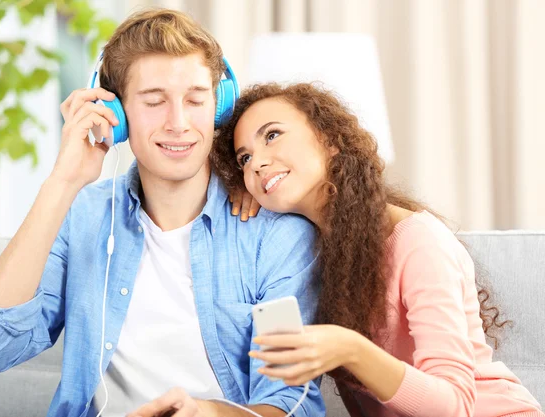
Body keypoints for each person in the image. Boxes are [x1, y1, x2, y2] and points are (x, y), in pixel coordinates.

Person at [0, 10, 325, 417]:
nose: (179, 123)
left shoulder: (275, 237)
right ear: (115, 114)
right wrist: (63, 181)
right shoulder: (84, 215)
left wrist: (206, 414)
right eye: (154, 101)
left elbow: (292, 405)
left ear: (219, 106)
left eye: (195, 99)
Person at [212, 82, 544, 417]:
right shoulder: (310, 255)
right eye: (245, 158)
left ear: (331, 141)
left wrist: (351, 350)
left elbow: (453, 406)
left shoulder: (419, 241)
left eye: (271, 136)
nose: (256, 163)